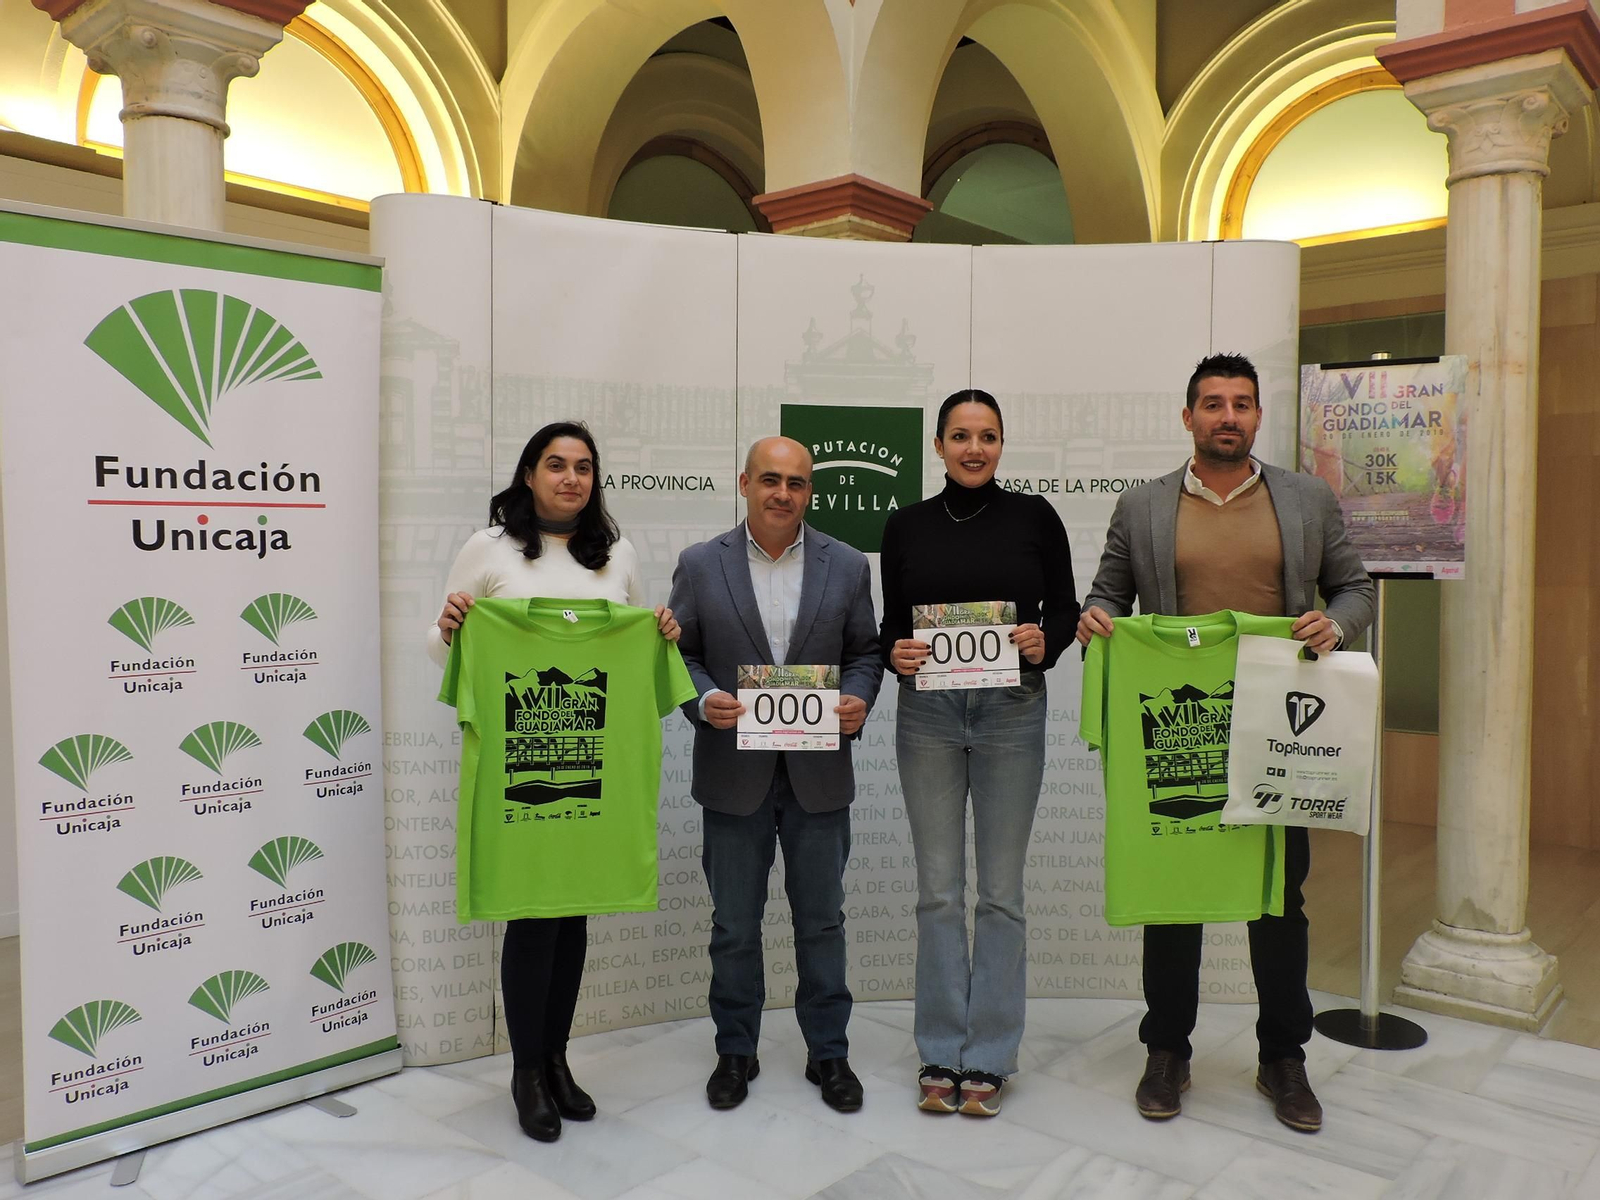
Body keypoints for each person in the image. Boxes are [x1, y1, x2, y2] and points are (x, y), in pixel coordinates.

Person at [1075, 352, 1375, 1133]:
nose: (1228, 416)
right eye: (1213, 404)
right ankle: (1166, 1051)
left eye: (1241, 403)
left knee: (1279, 897)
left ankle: (1284, 1057)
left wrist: (1336, 624)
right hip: (1182, 723)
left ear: (1258, 417)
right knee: (1174, 894)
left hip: (1277, 728)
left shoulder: (1305, 498)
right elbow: (1109, 593)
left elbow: (1356, 586)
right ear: (1188, 417)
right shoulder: (1142, 505)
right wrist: (1097, 618)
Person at [429, 421, 680, 1143]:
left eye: (584, 467)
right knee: (533, 917)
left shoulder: (618, 554)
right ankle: (526, 1072)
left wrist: (661, 632)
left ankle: (558, 1061)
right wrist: (449, 629)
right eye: (556, 464)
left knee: (573, 918)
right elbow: (442, 652)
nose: (571, 478)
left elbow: (636, 651)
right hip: (520, 769)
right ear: (529, 473)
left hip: (593, 768)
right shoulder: (489, 547)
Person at [669, 436, 884, 1114]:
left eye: (796, 482)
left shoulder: (846, 565)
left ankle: (829, 1053)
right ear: (745, 483)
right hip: (733, 774)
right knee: (735, 925)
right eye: (770, 479)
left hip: (820, 776)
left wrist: (858, 699)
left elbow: (866, 653)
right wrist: (705, 699)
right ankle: (736, 1051)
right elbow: (681, 656)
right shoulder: (700, 564)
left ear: (809, 491)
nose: (782, 493)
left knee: (822, 923)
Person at [879, 389, 1079, 1117]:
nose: (974, 448)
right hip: (928, 713)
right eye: (960, 436)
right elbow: (890, 627)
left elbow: (1064, 609)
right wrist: (895, 653)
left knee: (1001, 892)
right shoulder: (904, 525)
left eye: (987, 436)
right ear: (937, 445)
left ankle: (990, 1054)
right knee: (937, 890)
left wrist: (1045, 640)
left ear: (1001, 444)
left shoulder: (1036, 517)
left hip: (1011, 711)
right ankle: (939, 1047)